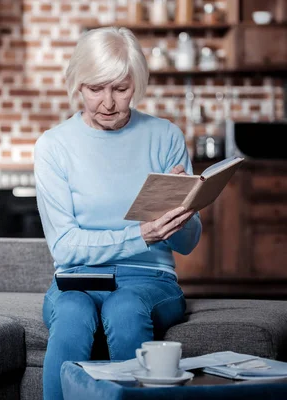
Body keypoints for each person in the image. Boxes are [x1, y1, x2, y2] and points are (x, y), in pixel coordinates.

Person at [34, 27, 202, 400]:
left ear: (136, 86)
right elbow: (64, 247)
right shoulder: (53, 146)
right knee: (74, 316)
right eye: (95, 88)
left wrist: (181, 209)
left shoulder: (165, 136)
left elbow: (189, 244)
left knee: (125, 307)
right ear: (78, 85)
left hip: (151, 278)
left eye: (120, 89)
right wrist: (142, 234)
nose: (107, 102)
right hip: (77, 279)